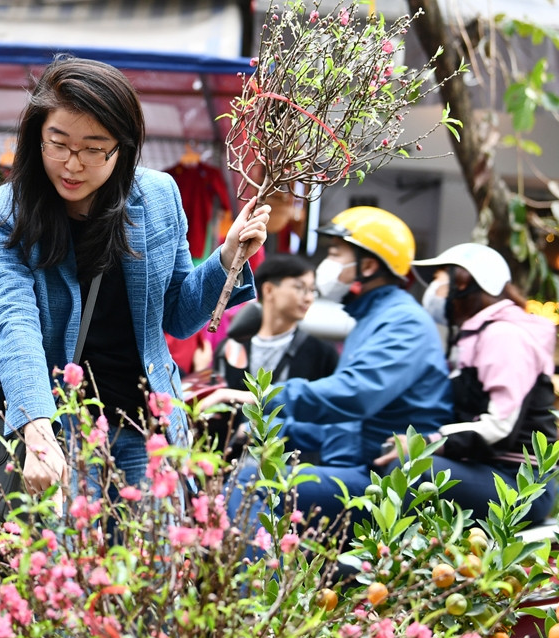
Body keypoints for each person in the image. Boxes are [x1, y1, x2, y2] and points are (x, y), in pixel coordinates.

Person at [0, 56, 269, 495]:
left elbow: (179, 316)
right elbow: (14, 327)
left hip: (145, 426)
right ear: (37, 138)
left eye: (93, 149)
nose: (72, 164)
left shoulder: (158, 196)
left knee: (155, 561)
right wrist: (36, 430)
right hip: (57, 429)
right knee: (63, 560)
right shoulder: (2, 214)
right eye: (58, 143)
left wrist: (226, 257)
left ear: (122, 148)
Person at [226, 207, 453, 521]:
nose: (326, 266)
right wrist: (271, 427)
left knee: (252, 485)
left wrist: (264, 397)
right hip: (357, 467)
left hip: (380, 479)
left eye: (335, 254)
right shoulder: (371, 319)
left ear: (369, 265)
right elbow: (348, 425)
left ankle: (244, 573)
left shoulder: (403, 323)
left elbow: (353, 396)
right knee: (245, 474)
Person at [375, 243, 557, 523]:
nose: (432, 293)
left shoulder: (505, 336)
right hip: (489, 472)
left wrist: (426, 443)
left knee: (411, 471)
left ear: (464, 284)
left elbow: (499, 428)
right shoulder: (479, 336)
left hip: (520, 486)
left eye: (438, 281)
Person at [196, 253, 339, 455]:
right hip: (229, 467)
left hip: (291, 468)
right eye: (299, 287)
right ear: (269, 289)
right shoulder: (232, 348)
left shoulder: (321, 354)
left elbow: (329, 416)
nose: (308, 297)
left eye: (312, 290)